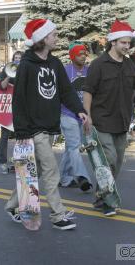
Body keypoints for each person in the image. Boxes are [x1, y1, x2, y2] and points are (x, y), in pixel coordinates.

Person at [4, 18, 88, 230]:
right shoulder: (26, 66)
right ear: (42, 39)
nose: (57, 37)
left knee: (36, 171)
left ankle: (13, 205)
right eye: (53, 34)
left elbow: (66, 91)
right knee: (51, 170)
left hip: (49, 126)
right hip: (33, 129)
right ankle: (57, 215)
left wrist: (80, 110)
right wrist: (21, 130)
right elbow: (19, 99)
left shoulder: (54, 63)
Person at [82, 20, 135, 216]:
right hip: (101, 120)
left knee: (117, 162)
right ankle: (109, 201)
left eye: (128, 43)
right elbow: (88, 92)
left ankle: (101, 195)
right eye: (123, 43)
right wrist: (87, 116)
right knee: (108, 158)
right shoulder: (98, 65)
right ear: (113, 42)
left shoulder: (128, 64)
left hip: (122, 120)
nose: (127, 46)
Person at [59, 43, 93, 191]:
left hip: (83, 115)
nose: (83, 56)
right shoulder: (65, 71)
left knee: (69, 148)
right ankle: (82, 176)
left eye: (84, 54)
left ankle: (64, 179)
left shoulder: (89, 71)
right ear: (73, 56)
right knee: (74, 146)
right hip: (67, 114)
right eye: (80, 54)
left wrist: (89, 115)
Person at [0, 51, 23, 174]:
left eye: (20, 58)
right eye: (16, 58)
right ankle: (3, 162)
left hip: (21, 107)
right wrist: (9, 74)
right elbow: (2, 86)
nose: (17, 60)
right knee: (4, 136)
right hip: (7, 108)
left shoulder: (25, 69)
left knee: (21, 136)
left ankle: (19, 161)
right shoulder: (6, 69)